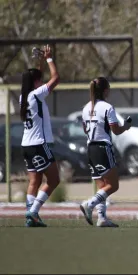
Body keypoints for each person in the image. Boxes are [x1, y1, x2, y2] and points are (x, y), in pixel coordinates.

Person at [79, 77, 132, 227]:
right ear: (105, 90)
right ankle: (89, 204)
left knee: (102, 186)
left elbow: (85, 129)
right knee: (113, 185)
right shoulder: (107, 107)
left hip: (90, 148)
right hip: (103, 148)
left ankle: (101, 218)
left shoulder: (85, 108)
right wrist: (126, 126)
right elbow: (116, 130)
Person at [21, 45, 60, 227]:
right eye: (39, 79)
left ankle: (30, 216)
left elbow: (37, 78)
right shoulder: (36, 95)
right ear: (36, 82)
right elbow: (55, 79)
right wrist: (50, 58)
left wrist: (40, 62)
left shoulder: (24, 97)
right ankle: (33, 212)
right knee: (54, 180)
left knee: (34, 181)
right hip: (38, 144)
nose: (41, 81)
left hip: (26, 144)